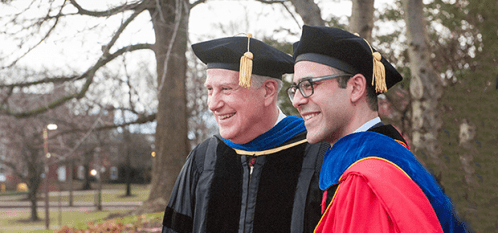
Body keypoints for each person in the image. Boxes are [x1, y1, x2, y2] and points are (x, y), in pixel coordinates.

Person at [288, 25, 470, 233]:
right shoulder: (388, 158)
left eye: (308, 85)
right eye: (295, 89)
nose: (297, 101)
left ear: (355, 88)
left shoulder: (366, 182)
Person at [161, 34, 328, 233]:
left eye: (226, 89)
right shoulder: (204, 158)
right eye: (209, 89)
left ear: (268, 91)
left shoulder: (318, 154)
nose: (213, 104)